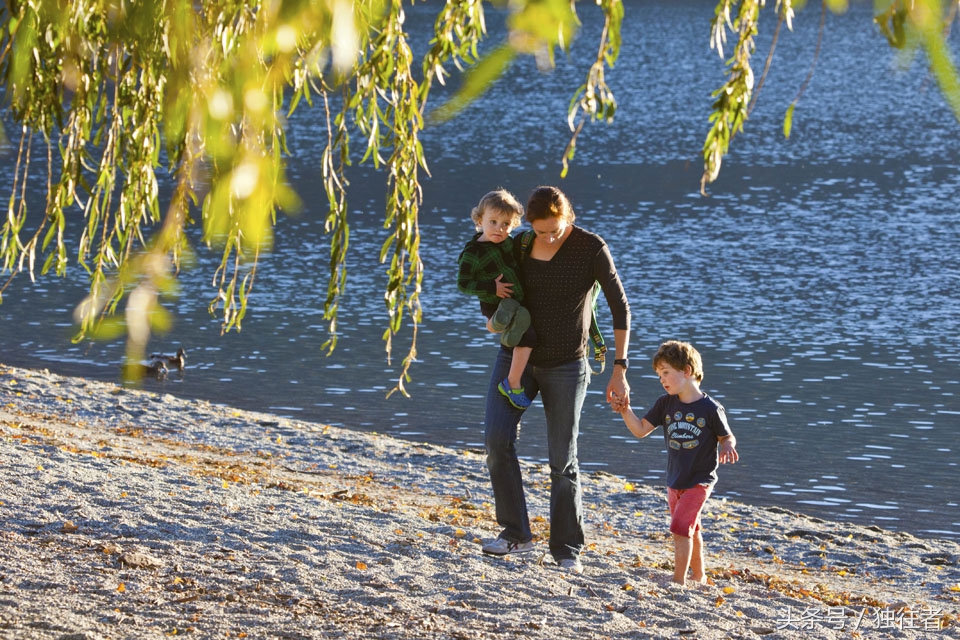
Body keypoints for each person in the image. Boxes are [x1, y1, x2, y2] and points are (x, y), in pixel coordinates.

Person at [481, 186, 631, 575]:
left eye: (555, 230)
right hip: (517, 356)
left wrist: (620, 367)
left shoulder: (590, 248)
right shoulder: (521, 243)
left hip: (567, 365)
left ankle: (566, 549)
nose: (547, 237)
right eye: (540, 230)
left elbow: (621, 307)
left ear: (570, 218)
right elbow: (482, 265)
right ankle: (516, 533)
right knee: (497, 440)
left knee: (562, 461)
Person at [613, 340, 739, 586]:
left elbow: (727, 435)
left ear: (687, 371)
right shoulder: (665, 403)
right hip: (674, 479)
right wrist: (625, 410)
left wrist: (728, 445)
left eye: (666, 373)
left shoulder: (711, 408)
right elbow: (640, 430)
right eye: (659, 375)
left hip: (699, 481)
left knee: (680, 528)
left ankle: (678, 580)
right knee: (692, 527)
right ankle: (699, 575)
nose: (662, 379)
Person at [457, 189, 537, 409]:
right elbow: (463, 284)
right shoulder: (473, 252)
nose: (499, 229)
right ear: (479, 219)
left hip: (515, 302)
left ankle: (504, 328)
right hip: (493, 302)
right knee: (528, 338)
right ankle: (512, 382)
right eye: (493, 222)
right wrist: (492, 287)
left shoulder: (507, 243)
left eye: (505, 224)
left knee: (521, 317)